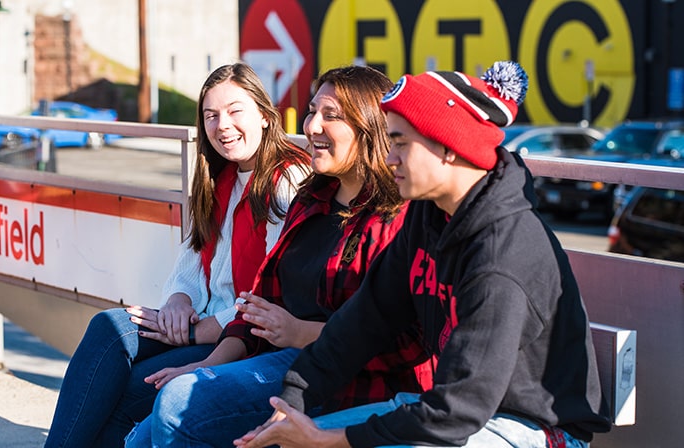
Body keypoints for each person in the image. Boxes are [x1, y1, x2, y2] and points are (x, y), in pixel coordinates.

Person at [235, 61, 612, 448]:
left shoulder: (502, 253)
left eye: (400, 143)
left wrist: (328, 439)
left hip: (533, 427)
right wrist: (293, 400)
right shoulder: (429, 215)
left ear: (447, 148)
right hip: (455, 410)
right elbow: (367, 318)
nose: (388, 158)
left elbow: (458, 412)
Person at [123, 65, 434, 448]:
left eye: (331, 115)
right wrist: (206, 366)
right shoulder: (312, 198)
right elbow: (259, 303)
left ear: (369, 125)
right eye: (312, 111)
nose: (312, 126)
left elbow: (408, 342)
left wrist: (301, 333)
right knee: (141, 429)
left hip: (357, 381)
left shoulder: (399, 216)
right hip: (285, 358)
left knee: (177, 403)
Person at [43, 62, 311, 448]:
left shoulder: (286, 179)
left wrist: (203, 329)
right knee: (110, 327)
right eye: (211, 116)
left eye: (236, 111)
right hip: (195, 323)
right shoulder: (217, 175)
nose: (223, 126)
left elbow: (274, 286)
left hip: (241, 335)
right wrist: (177, 300)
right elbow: (191, 256)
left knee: (127, 388)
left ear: (265, 116)